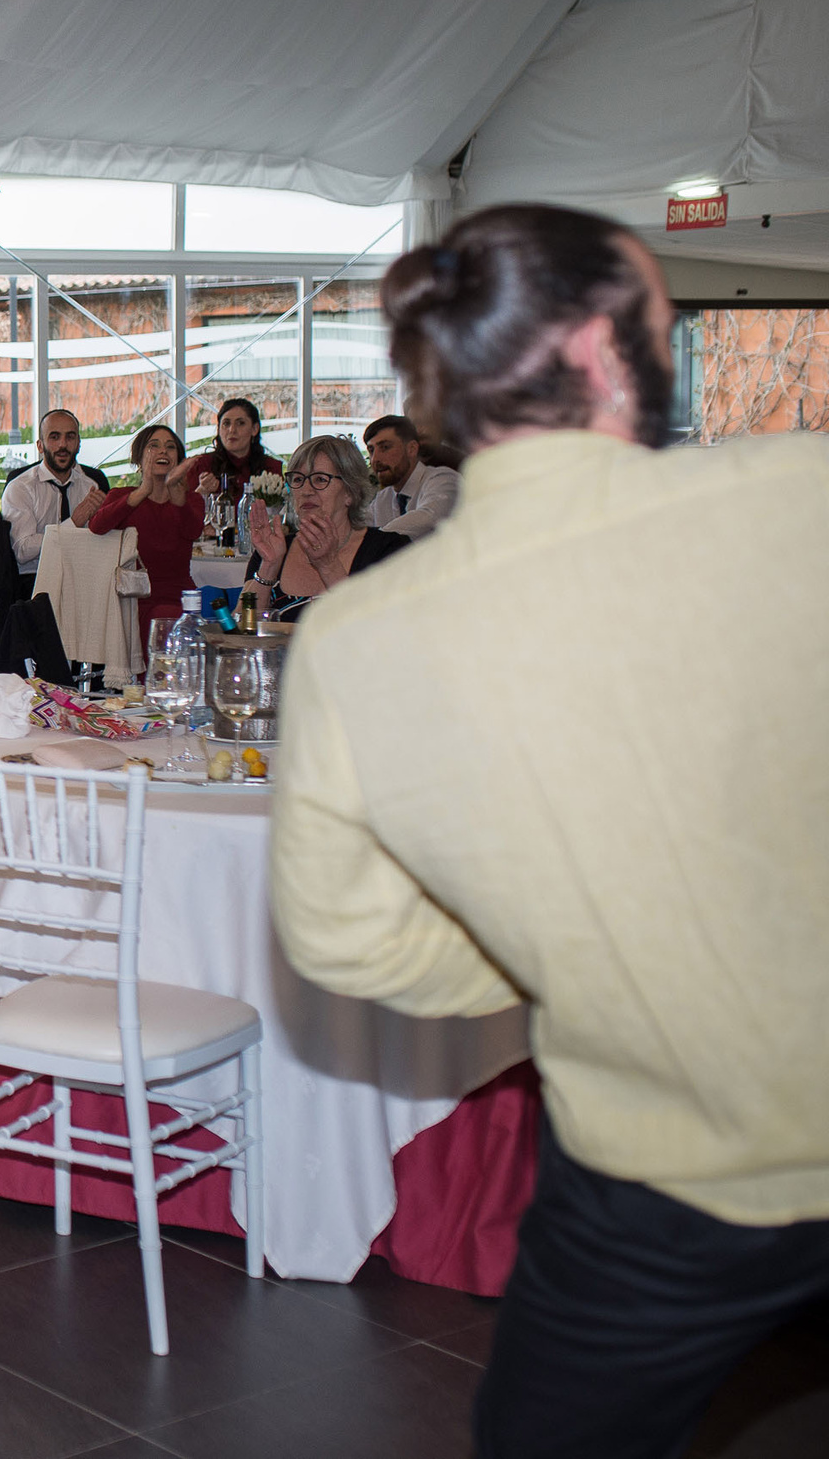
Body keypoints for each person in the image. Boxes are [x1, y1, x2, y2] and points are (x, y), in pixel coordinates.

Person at [268, 204, 829, 1459]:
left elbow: (348, 945)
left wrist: (576, 948)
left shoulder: (361, 639)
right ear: (596, 345)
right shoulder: (805, 493)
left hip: (651, 1168)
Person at [245, 433, 406, 620]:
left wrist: (329, 566)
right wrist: (269, 567)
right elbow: (238, 634)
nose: (306, 491)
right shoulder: (277, 550)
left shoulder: (387, 550)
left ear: (351, 492)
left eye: (320, 479)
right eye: (298, 479)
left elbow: (384, 629)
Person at [89, 422, 201, 650]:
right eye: (154, 446)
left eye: (170, 447)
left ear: (178, 460)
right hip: (132, 597)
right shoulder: (123, 496)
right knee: (163, 621)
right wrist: (144, 490)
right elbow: (97, 526)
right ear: (138, 459)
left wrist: (177, 496)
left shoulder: (191, 501)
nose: (162, 451)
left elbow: (192, 531)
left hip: (178, 596)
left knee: (176, 620)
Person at [2, 408, 111, 575]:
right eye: (54, 437)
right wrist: (73, 523)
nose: (63, 445)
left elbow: (102, 544)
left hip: (82, 577)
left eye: (70, 437)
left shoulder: (91, 486)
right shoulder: (21, 487)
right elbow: (22, 551)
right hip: (34, 582)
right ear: (40, 445)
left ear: (79, 444)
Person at [362, 412, 463, 539]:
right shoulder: (383, 498)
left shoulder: (443, 479)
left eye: (385, 447)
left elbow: (428, 517)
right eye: (371, 450)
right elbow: (358, 528)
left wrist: (377, 540)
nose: (375, 459)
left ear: (412, 449)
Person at [180, 395, 284, 510]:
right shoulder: (201, 465)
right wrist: (202, 491)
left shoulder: (271, 468)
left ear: (255, 429)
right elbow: (183, 514)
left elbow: (280, 511)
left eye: (240, 423)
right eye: (226, 423)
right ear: (219, 429)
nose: (232, 430)